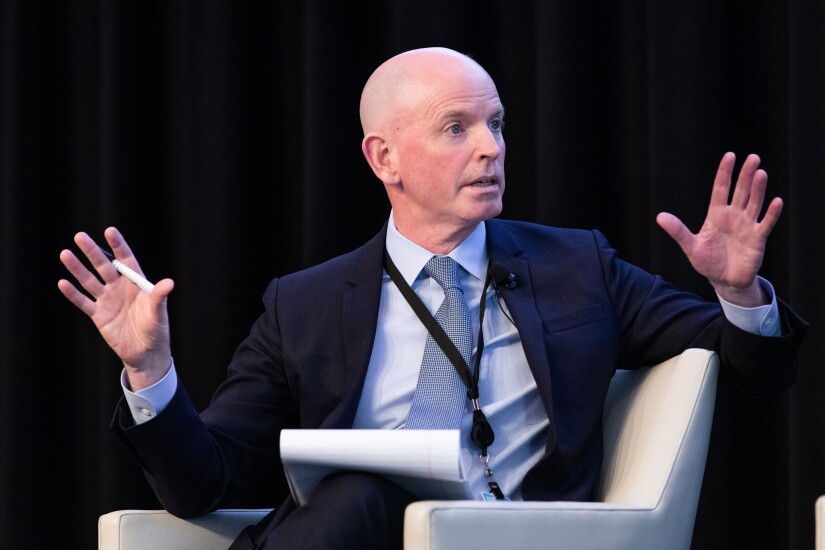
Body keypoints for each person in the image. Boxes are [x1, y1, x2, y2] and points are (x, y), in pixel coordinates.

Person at [59, 47, 805, 549]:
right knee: (359, 498)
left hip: (506, 537)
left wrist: (737, 291)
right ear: (383, 157)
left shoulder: (576, 267)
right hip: (350, 539)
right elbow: (202, 484)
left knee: (359, 495)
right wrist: (150, 370)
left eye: (495, 124)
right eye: (456, 128)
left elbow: (752, 369)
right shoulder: (305, 305)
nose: (490, 147)